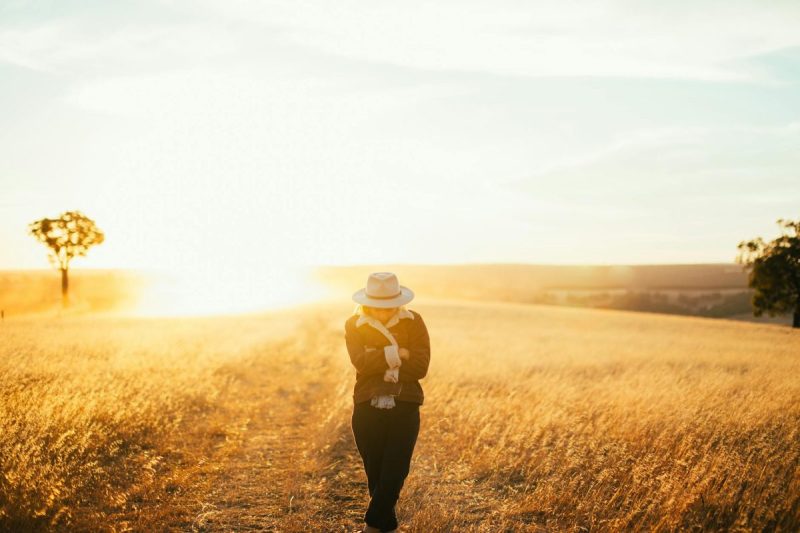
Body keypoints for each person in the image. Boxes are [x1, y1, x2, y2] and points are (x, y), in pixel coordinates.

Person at [344, 272, 431, 533]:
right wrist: (398, 353)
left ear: (398, 301)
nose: (383, 312)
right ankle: (388, 526)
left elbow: (420, 366)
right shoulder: (353, 324)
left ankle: (371, 525)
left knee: (396, 469)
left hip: (405, 402)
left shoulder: (414, 322)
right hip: (366, 403)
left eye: (388, 306)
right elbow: (360, 362)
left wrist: (377, 356)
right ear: (367, 302)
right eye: (378, 306)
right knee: (376, 474)